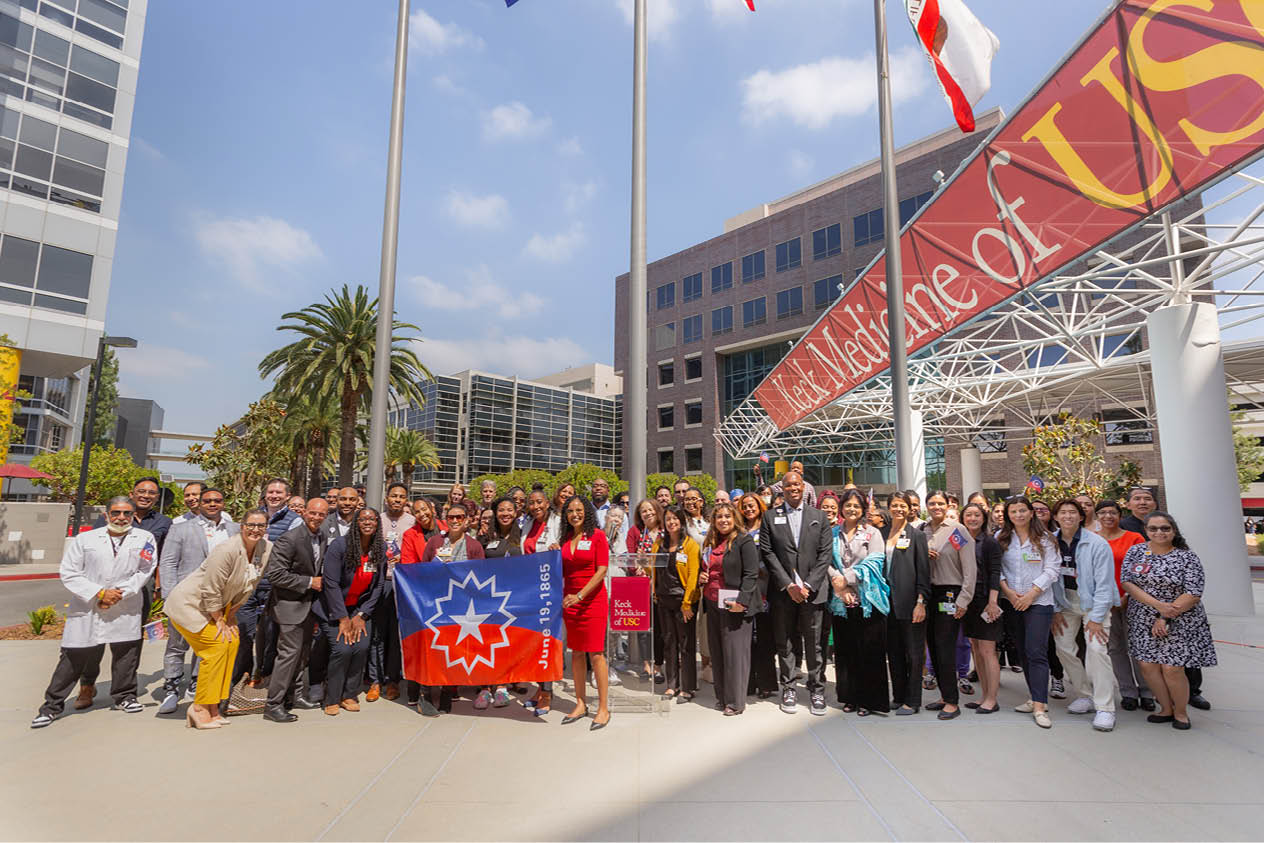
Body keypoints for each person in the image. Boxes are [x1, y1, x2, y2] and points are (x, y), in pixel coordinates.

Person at [31, 497, 156, 728]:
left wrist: (119, 594)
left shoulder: (145, 539)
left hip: (124, 606)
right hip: (88, 606)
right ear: (107, 514)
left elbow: (145, 570)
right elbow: (69, 572)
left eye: (127, 513)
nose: (121, 517)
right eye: (116, 512)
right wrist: (99, 593)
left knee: (125, 654)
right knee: (73, 656)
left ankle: (125, 696)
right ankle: (52, 706)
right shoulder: (85, 539)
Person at [162, 509, 271, 729]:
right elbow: (211, 588)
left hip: (220, 608)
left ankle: (214, 706)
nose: (255, 530)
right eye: (251, 525)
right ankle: (199, 707)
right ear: (242, 526)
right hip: (190, 606)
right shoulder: (227, 549)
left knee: (232, 643)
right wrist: (219, 619)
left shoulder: (265, 549)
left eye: (260, 526)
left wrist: (230, 616)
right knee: (216, 647)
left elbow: (250, 585)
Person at [1121, 512, 1218, 731]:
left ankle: (1181, 713)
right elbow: (1127, 582)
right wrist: (1157, 606)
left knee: (1172, 668)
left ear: (1173, 530)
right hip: (1142, 617)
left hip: (1180, 617)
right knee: (1147, 665)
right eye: (1153, 528)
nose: (1159, 533)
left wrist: (1165, 615)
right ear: (1146, 530)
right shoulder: (1137, 552)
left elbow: (1194, 592)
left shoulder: (1187, 557)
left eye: (1165, 528)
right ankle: (1165, 708)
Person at [156, 487, 239, 714]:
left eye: (217, 500)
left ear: (224, 503)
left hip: (219, 600)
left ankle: (197, 685)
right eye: (208, 501)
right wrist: (169, 598)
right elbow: (168, 563)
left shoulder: (235, 529)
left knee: (207, 646)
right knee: (176, 645)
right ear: (199, 504)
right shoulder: (180, 529)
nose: (212, 504)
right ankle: (171, 690)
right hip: (186, 599)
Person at [759, 471, 833, 716]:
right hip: (784, 593)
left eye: (797, 485)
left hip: (812, 592)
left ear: (803, 487)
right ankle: (789, 687)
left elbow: (825, 555)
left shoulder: (819, 516)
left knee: (814, 644)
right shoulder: (770, 517)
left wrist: (808, 585)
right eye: (789, 485)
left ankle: (816, 689)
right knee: (786, 641)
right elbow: (768, 553)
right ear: (783, 488)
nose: (793, 488)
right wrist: (788, 585)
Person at [1049, 499, 1120, 732]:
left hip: (1093, 603)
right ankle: (1084, 695)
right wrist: (1057, 610)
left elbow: (1105, 584)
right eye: (1063, 512)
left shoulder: (1097, 543)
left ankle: (1105, 708)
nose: (1068, 516)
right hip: (1066, 602)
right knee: (1063, 647)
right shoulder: (1050, 541)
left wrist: (1098, 618)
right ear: (1056, 517)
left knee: (1097, 650)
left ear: (1081, 517)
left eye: (1073, 512)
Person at [262, 498, 330, 723]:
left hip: (309, 606)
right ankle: (273, 704)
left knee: (302, 654)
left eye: (321, 514)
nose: (316, 518)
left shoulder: (321, 536)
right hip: (288, 606)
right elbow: (276, 574)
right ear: (304, 513)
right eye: (313, 513)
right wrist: (310, 582)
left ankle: (296, 695)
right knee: (288, 655)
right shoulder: (289, 539)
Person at [997, 496, 1061, 728]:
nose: (1018, 515)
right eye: (1013, 511)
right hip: (1012, 601)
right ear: (1008, 515)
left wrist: (1032, 594)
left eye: (1022, 510)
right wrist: (1011, 594)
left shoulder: (1045, 539)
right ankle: (1034, 696)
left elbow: (1053, 569)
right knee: (1023, 651)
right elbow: (998, 569)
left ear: (1031, 513)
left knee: (1037, 652)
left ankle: (1040, 706)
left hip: (1039, 603)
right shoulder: (1001, 538)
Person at [316, 508, 385, 716]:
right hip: (334, 608)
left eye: (372, 519)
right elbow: (331, 583)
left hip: (359, 610)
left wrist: (362, 615)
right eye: (363, 519)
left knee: (362, 647)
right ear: (356, 523)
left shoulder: (378, 549)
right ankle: (332, 697)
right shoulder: (339, 546)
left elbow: (378, 586)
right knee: (343, 650)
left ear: (377, 524)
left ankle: (349, 694)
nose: (367, 522)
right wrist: (343, 618)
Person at [233, 478, 301, 690]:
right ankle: (241, 677)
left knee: (271, 636)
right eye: (271, 491)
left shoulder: (294, 520)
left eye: (279, 493)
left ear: (287, 496)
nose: (274, 496)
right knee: (243, 633)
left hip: (274, 585)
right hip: (248, 585)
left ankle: (264, 675)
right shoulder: (254, 516)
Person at [418, 501, 485, 713]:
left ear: (467, 521)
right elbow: (423, 570)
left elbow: (480, 577)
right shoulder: (435, 542)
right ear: (446, 520)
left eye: (460, 518)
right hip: (436, 605)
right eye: (451, 517)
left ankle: (447, 690)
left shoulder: (474, 546)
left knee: (452, 651)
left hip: (462, 608)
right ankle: (426, 693)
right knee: (433, 649)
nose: (455, 521)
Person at [828, 489, 890, 715]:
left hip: (868, 600)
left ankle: (869, 701)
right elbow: (824, 558)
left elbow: (875, 562)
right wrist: (839, 584)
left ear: (863, 509)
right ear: (841, 507)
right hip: (841, 599)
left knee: (869, 652)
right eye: (847, 505)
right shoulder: (833, 532)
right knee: (845, 651)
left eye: (856, 505)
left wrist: (847, 579)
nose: (851, 509)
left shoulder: (872, 533)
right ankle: (850, 697)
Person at [557, 495, 612, 730]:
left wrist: (580, 595)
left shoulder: (598, 536)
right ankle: (581, 703)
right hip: (570, 602)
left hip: (592, 601)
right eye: (570, 511)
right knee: (576, 653)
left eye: (579, 510)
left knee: (596, 654)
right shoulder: (565, 538)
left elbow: (601, 570)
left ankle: (603, 708)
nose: (574, 514)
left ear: (587, 512)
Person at [920, 491, 976, 720]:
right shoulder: (921, 531)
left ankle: (953, 702)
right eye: (932, 503)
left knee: (945, 647)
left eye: (940, 503)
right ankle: (944, 696)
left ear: (947, 505)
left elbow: (970, 568)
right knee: (933, 646)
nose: (936, 507)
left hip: (950, 594)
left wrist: (964, 599)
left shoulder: (957, 530)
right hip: (928, 594)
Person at [701, 502, 759, 715]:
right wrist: (702, 576)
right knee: (717, 652)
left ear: (734, 518)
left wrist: (742, 602)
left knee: (735, 655)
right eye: (719, 517)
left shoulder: (744, 541)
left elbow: (751, 574)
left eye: (727, 516)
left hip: (736, 605)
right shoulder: (711, 542)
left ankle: (735, 702)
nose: (723, 520)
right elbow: (706, 566)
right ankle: (722, 697)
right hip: (713, 602)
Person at [1095, 499, 1154, 711]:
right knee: (1115, 648)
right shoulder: (1092, 539)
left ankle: (1147, 691)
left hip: (1134, 600)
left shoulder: (1134, 538)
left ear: (1120, 515)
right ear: (1097, 517)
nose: (1107, 516)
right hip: (1105, 603)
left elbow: (1143, 570)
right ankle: (1128, 692)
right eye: (1102, 513)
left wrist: (1127, 596)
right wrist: (1106, 599)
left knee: (1138, 647)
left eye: (1112, 512)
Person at [882, 492, 930, 715]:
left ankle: (913, 701)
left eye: (903, 505)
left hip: (910, 603)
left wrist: (921, 602)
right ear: (889, 507)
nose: (899, 509)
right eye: (895, 505)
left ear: (910, 508)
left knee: (913, 653)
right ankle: (898, 696)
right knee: (894, 652)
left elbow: (923, 571)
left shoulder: (917, 536)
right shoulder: (881, 533)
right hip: (885, 604)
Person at [477, 496, 526, 707]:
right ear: (495, 513)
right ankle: (485, 687)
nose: (505, 514)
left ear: (515, 513)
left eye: (509, 510)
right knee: (487, 642)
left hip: (514, 598)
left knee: (506, 642)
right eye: (501, 510)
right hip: (488, 598)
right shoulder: (485, 538)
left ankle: (503, 687)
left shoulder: (522, 537)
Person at [369, 482, 415, 703]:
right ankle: (375, 680)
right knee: (377, 633)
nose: (397, 499)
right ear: (386, 498)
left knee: (397, 634)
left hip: (402, 583)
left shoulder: (412, 522)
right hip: (379, 582)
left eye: (401, 496)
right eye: (394, 496)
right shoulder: (376, 519)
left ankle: (393, 680)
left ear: (406, 500)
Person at [652, 505, 700, 701]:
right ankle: (672, 685)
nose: (671, 522)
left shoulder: (690, 545)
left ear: (681, 522)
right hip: (663, 600)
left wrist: (687, 603)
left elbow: (693, 576)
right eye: (668, 519)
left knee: (686, 645)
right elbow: (652, 569)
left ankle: (688, 687)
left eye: (675, 519)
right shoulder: (659, 544)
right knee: (669, 643)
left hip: (683, 602)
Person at [959, 502, 1003, 715]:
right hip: (968, 601)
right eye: (969, 515)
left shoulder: (990, 542)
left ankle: (992, 699)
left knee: (988, 650)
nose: (973, 519)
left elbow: (995, 572)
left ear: (984, 518)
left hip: (986, 600)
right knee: (975, 648)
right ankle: (984, 695)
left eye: (977, 515)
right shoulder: (959, 539)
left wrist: (993, 601)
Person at [737, 492, 777, 699]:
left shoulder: (767, 528)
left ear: (760, 506)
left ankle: (767, 683)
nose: (749, 509)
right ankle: (748, 682)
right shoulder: (739, 530)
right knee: (746, 639)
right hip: (744, 588)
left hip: (765, 587)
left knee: (764, 637)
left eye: (752, 505)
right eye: (745, 506)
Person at [627, 499, 664, 683]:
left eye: (650, 510)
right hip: (641, 586)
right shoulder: (636, 532)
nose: (648, 513)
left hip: (660, 585)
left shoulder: (665, 530)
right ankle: (646, 665)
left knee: (659, 627)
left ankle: (658, 665)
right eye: (643, 511)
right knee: (642, 627)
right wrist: (638, 568)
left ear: (657, 511)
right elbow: (630, 556)